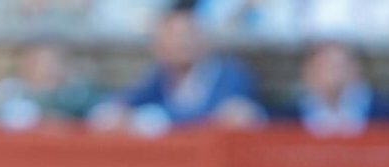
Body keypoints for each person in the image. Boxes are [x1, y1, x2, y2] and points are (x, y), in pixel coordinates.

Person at [88, 5, 265, 134]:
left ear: (203, 40)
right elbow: (124, 103)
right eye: (172, 37)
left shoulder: (231, 77)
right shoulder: (160, 76)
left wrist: (153, 121)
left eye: (187, 35)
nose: (181, 43)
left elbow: (222, 119)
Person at [0, 40, 101, 130]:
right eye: (41, 62)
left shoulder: (78, 93)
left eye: (54, 62)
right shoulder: (10, 90)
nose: (49, 69)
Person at [291, 41, 389, 136]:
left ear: (356, 69)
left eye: (339, 66)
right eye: (324, 67)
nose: (333, 75)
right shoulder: (287, 117)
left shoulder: (385, 113)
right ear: (309, 72)